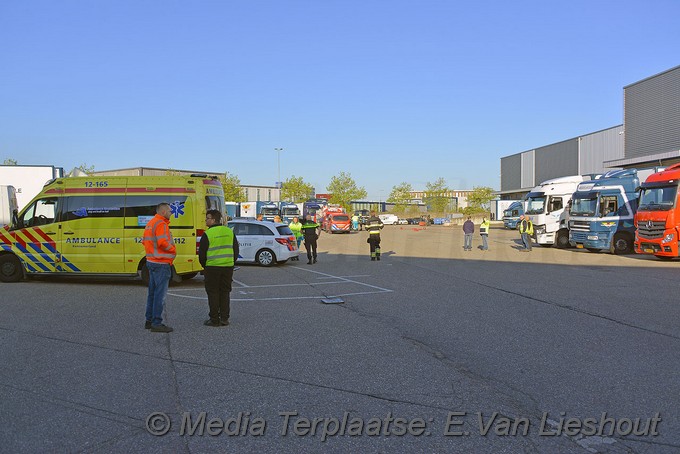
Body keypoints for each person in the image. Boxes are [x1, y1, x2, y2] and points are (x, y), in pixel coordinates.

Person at [198, 210, 239, 327]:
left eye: (207, 218)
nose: (206, 220)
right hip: (227, 267)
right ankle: (225, 318)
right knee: (225, 292)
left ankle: (214, 319)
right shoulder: (229, 232)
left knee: (213, 293)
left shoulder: (208, 234)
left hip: (212, 267)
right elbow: (236, 250)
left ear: (214, 220)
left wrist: (204, 266)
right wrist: (231, 262)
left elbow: (202, 254)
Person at [142, 203, 177, 333]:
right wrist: (173, 250)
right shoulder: (161, 224)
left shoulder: (151, 223)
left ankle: (149, 320)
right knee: (159, 295)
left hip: (152, 262)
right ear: (163, 211)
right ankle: (157, 322)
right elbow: (163, 243)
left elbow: (144, 241)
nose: (171, 212)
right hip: (161, 263)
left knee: (152, 293)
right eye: (169, 210)